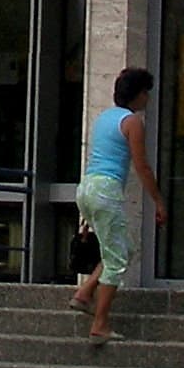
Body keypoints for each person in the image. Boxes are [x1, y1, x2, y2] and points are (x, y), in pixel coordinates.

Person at [70, 66, 165, 349]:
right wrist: (159, 201)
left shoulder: (104, 118)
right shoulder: (132, 121)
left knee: (125, 248)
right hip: (106, 191)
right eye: (146, 92)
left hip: (87, 188)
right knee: (116, 260)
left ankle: (85, 292)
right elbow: (142, 166)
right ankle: (100, 324)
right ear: (137, 94)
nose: (148, 98)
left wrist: (88, 216)